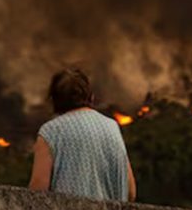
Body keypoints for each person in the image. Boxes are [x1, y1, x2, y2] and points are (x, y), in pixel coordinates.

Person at [28, 67, 136, 201]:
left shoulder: (51, 132)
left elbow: (38, 192)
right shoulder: (112, 127)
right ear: (90, 96)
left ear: (54, 100)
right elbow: (130, 192)